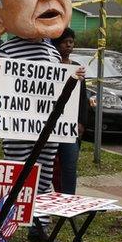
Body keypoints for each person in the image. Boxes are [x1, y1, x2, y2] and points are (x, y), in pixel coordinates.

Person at [0, 0, 85, 242]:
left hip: (49, 127)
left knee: (43, 171)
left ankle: (38, 221)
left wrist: (74, 79)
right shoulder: (8, 52)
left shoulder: (53, 52)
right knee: (19, 171)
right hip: (19, 128)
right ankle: (7, 218)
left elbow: (57, 86)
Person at [51, 28, 88, 194]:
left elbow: (82, 98)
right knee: (47, 167)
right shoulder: (48, 67)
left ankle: (68, 200)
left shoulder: (77, 69)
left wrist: (81, 122)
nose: (68, 45)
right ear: (56, 44)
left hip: (69, 127)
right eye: (65, 41)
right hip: (49, 125)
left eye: (71, 42)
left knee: (69, 166)